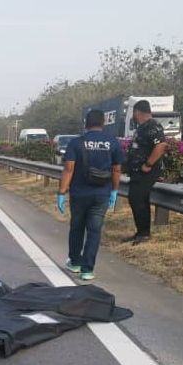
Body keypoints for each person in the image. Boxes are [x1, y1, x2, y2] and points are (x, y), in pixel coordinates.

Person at [57, 109, 123, 281]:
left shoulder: (76, 143)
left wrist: (61, 192)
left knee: (77, 227)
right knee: (94, 231)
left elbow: (69, 169)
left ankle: (75, 262)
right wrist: (115, 191)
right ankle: (87, 269)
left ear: (86, 123)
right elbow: (117, 169)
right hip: (101, 194)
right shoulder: (113, 143)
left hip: (79, 194)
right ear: (103, 123)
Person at [123, 100, 168, 245]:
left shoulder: (152, 126)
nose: (134, 117)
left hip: (147, 171)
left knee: (137, 199)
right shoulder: (142, 127)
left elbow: (161, 145)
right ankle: (141, 232)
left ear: (137, 112)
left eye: (134, 114)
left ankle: (144, 233)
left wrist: (148, 164)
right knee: (138, 200)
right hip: (138, 171)